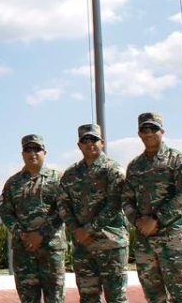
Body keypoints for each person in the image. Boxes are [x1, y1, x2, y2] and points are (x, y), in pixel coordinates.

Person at [123, 113, 182, 303]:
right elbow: (127, 200)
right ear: (139, 134)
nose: (148, 133)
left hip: (174, 238)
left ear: (162, 131)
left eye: (153, 129)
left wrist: (156, 220)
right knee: (154, 297)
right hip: (145, 241)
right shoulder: (134, 166)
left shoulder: (178, 160)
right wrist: (138, 222)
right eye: (144, 130)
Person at [58, 124, 128, 303]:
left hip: (111, 245)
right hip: (84, 247)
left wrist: (88, 229)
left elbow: (115, 204)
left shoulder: (113, 170)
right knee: (88, 298)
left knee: (116, 298)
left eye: (94, 140)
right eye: (85, 140)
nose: (90, 144)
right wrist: (76, 230)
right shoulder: (71, 174)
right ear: (79, 145)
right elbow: (63, 204)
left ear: (102, 143)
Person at [0, 135, 66, 303]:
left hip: (51, 250)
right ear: (22, 154)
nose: (32, 153)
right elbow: (6, 212)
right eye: (28, 150)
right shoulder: (13, 183)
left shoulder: (58, 179)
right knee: (28, 299)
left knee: (55, 299)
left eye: (37, 149)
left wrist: (41, 234)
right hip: (24, 251)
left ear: (44, 152)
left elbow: (63, 210)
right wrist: (22, 234)